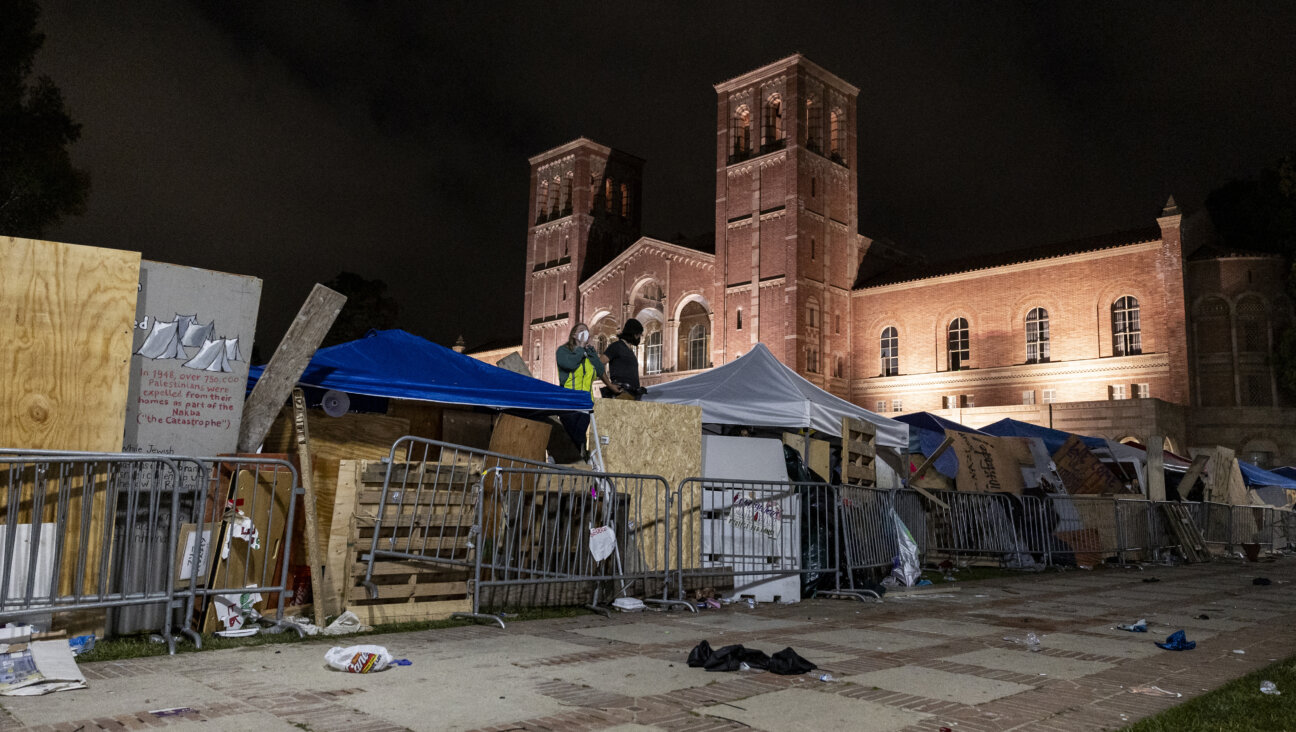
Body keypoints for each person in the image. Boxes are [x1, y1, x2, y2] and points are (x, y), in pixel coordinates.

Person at [555, 323, 618, 452]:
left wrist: (593, 355)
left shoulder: (588, 354)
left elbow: (600, 370)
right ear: (574, 334)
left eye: (587, 331)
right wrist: (580, 349)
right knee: (572, 437)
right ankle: (573, 460)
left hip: (585, 404)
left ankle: (580, 459)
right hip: (568, 403)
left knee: (579, 436)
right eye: (581, 330)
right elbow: (571, 364)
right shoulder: (563, 351)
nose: (585, 333)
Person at [602, 318, 645, 399]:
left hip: (633, 395)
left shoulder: (630, 350)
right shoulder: (616, 346)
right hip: (622, 393)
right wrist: (610, 385)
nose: (639, 337)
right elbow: (599, 364)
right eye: (639, 334)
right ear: (634, 333)